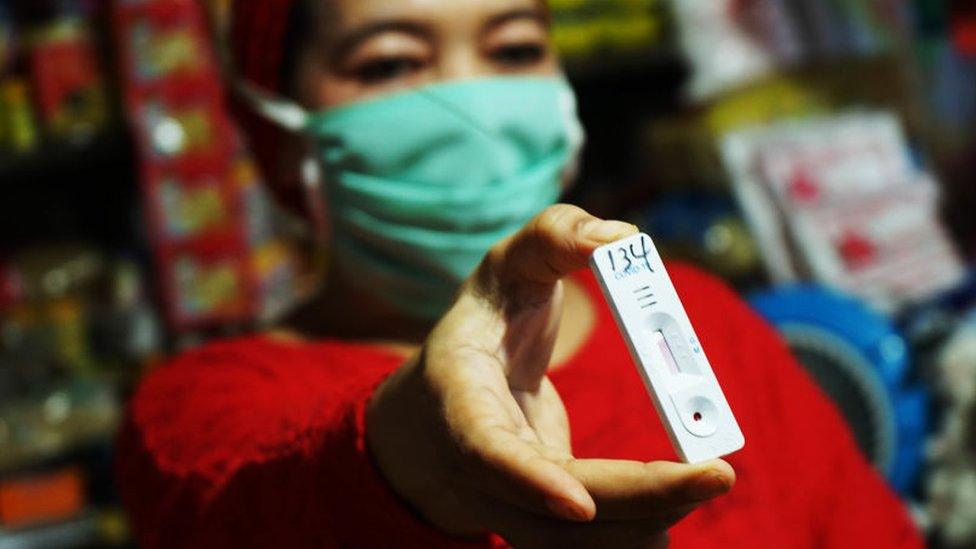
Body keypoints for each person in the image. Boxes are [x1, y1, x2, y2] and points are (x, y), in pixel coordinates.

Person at [116, 0, 924, 547]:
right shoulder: (200, 408)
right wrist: (419, 457)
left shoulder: (704, 317)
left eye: (512, 49)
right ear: (281, 132)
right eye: (391, 64)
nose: (474, 103)